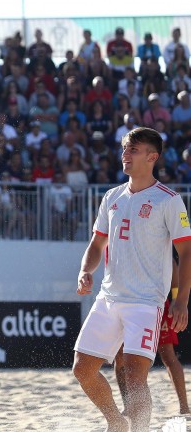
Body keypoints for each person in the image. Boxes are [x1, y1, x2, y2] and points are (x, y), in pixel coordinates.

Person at [73, 127, 191, 432]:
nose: (125, 154)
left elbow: (186, 252)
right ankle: (117, 421)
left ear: (152, 157)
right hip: (109, 299)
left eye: (133, 150)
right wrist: (86, 270)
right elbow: (96, 245)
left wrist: (180, 300)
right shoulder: (112, 196)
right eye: (125, 148)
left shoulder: (169, 200)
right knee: (82, 371)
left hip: (146, 303)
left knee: (136, 379)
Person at [114, 253, 190, 417]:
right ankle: (128, 406)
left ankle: (184, 408)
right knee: (120, 356)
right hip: (127, 303)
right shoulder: (123, 242)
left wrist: (176, 300)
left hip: (156, 304)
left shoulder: (153, 239)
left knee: (168, 355)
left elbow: (173, 266)